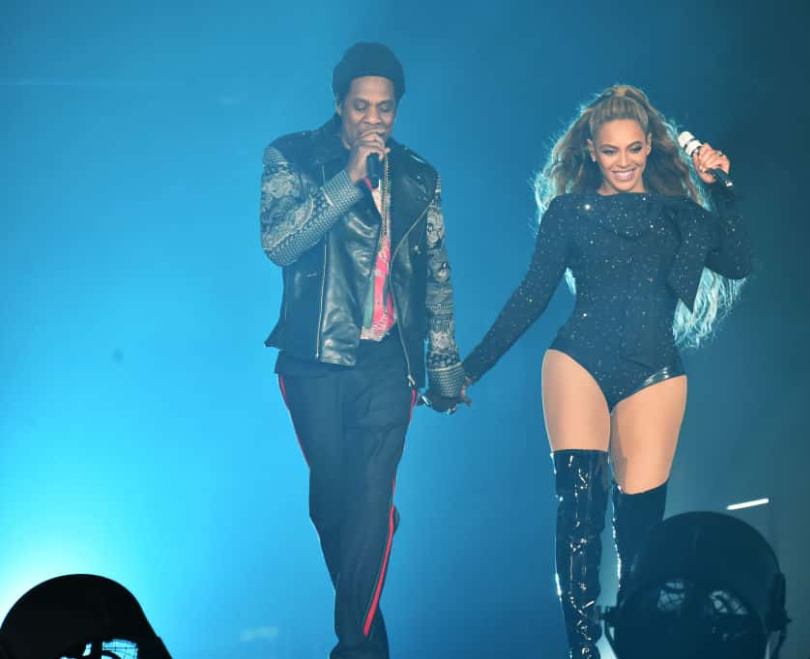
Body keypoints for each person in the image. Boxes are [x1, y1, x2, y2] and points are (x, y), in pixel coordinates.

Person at [461, 84, 752, 658]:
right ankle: (583, 651)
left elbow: (738, 262)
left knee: (642, 533)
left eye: (634, 149)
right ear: (590, 150)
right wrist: (469, 370)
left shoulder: (681, 215)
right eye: (611, 150)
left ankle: (637, 646)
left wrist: (724, 191)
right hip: (578, 361)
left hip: (655, 372)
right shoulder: (568, 212)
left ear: (651, 148)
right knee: (578, 515)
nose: (624, 162)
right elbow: (531, 297)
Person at [259, 42, 467, 659]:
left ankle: (353, 646)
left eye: (384, 109)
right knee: (334, 503)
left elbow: (436, 272)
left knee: (372, 498)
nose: (372, 120)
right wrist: (346, 180)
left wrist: (445, 365)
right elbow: (279, 243)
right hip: (313, 360)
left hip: (387, 363)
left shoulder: (420, 176)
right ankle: (371, 621)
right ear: (339, 104)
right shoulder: (291, 155)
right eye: (360, 107)